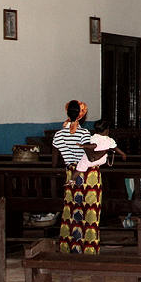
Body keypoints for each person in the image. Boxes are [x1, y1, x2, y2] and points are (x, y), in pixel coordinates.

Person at [51, 100, 96, 254]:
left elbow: (54, 161)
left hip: (69, 173)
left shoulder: (59, 134)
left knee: (71, 210)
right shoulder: (84, 133)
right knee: (88, 212)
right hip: (85, 175)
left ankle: (69, 247)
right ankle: (88, 249)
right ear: (82, 116)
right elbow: (89, 157)